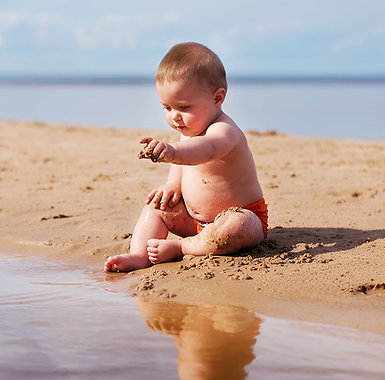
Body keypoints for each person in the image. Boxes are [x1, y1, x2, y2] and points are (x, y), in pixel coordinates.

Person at [104, 42, 268, 272]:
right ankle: (139, 256)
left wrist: (172, 152)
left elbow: (205, 150)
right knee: (156, 206)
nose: (174, 117)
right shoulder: (187, 131)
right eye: (167, 107)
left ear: (217, 98)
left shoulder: (224, 131)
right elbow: (182, 164)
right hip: (195, 222)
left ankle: (182, 247)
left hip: (241, 217)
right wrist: (172, 184)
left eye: (183, 107)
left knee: (238, 225)